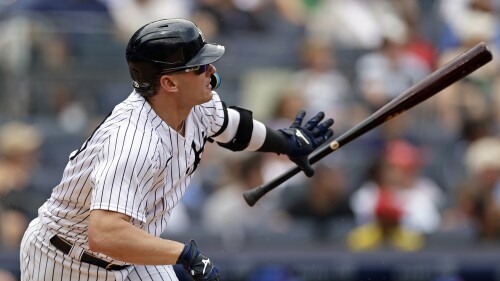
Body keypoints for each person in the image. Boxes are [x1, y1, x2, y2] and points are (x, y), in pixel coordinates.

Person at [19, 18, 334, 281]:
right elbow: (104, 234)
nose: (210, 70)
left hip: (133, 254)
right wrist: (184, 254)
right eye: (199, 67)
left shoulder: (195, 103)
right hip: (66, 261)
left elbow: (234, 128)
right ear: (169, 83)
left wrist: (286, 143)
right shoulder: (133, 141)